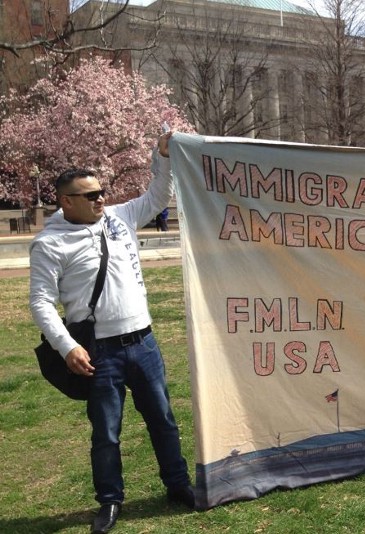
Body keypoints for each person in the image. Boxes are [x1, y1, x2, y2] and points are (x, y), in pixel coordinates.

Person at [29, 131, 195, 534]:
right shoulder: (50, 245)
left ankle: (178, 487)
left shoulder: (118, 217)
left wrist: (163, 157)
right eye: (90, 195)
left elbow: (157, 197)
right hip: (98, 352)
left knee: (165, 421)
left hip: (144, 343)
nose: (100, 198)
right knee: (106, 432)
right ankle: (110, 502)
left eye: (102, 191)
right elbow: (40, 303)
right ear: (66, 201)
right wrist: (67, 346)